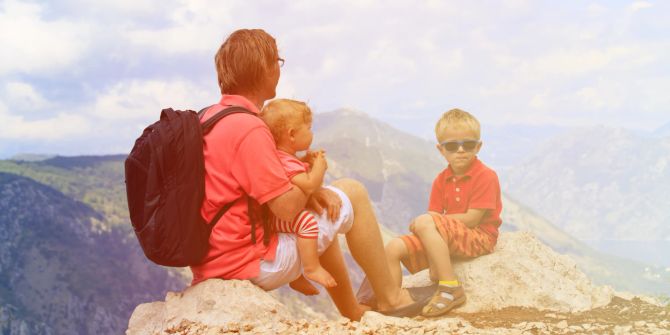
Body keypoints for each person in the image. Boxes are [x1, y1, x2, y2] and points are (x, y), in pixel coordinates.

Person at [189, 28, 427, 321]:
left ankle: (352, 310)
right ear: (264, 69)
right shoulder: (248, 128)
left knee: (321, 206)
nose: (279, 69)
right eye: (278, 61)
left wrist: (312, 193)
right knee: (351, 191)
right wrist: (315, 178)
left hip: (213, 257)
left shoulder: (209, 118)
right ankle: (391, 299)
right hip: (247, 263)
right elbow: (287, 208)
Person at [383, 108, 503, 317]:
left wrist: (430, 221)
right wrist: (429, 222)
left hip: (479, 237)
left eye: (468, 144)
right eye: (452, 146)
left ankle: (450, 286)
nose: (460, 150)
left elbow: (473, 219)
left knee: (425, 222)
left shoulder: (486, 176)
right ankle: (392, 299)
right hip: (450, 235)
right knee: (393, 247)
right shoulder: (441, 179)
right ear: (441, 149)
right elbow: (434, 218)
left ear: (478, 147)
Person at [259, 98, 336, 295]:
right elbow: (309, 185)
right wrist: (319, 168)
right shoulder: (286, 161)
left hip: (270, 218)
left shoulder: (281, 156)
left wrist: (305, 161)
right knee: (307, 223)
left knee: (306, 221)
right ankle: (311, 268)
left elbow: (294, 173)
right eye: (308, 128)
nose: (312, 133)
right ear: (292, 134)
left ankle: (297, 276)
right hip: (276, 219)